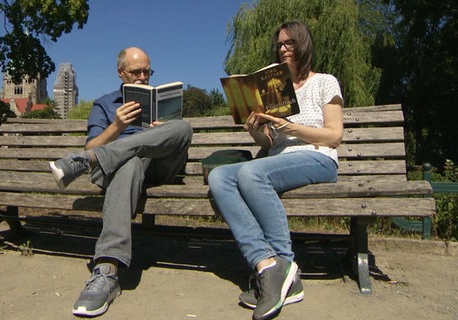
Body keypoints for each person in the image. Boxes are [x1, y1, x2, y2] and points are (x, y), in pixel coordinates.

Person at [208, 21, 344, 320]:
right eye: (280, 44)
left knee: (251, 173)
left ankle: (284, 264)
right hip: (277, 159)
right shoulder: (273, 86)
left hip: (317, 156)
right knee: (219, 176)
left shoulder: (325, 82)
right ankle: (266, 264)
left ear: (303, 44)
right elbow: (270, 143)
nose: (283, 49)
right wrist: (255, 129)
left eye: (290, 43)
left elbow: (334, 135)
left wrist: (290, 125)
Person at [49, 47, 193, 317]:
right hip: (117, 171)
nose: (142, 77)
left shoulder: (160, 101)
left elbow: (179, 138)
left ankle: (83, 161)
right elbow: (92, 142)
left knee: (183, 128)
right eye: (135, 72)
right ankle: (106, 270)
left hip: (159, 168)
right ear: (120, 73)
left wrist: (161, 132)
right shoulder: (104, 104)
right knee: (130, 162)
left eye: (147, 71)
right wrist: (116, 126)